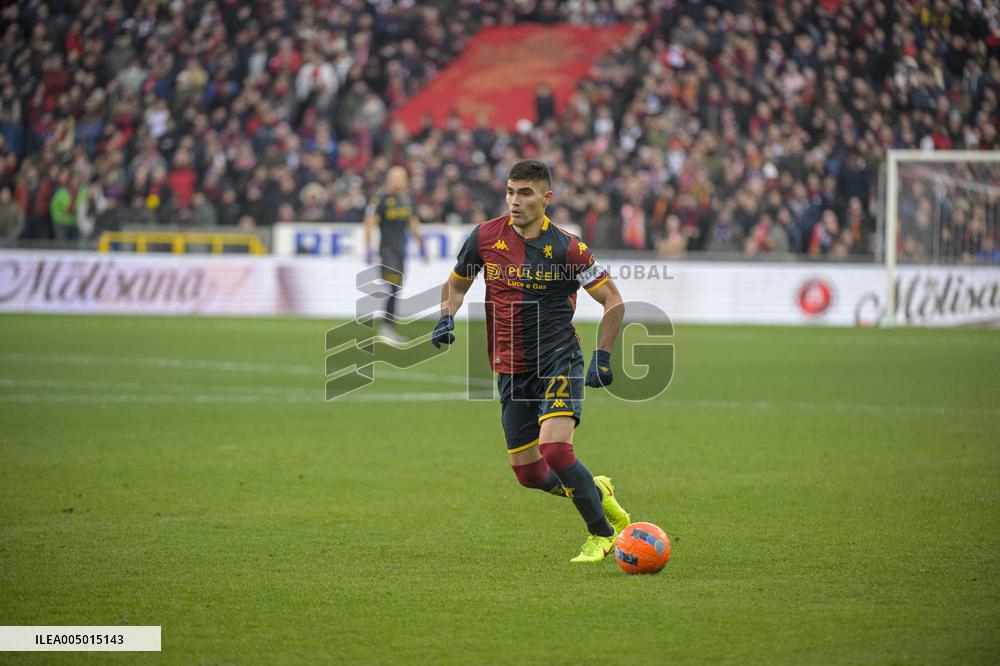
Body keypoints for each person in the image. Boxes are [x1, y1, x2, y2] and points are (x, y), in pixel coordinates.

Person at [431, 160, 630, 563]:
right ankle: (596, 490)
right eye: (510, 192)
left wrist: (603, 357)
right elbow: (455, 286)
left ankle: (602, 534)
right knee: (530, 474)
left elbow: (613, 300)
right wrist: (445, 316)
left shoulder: (568, 248)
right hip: (509, 368)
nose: (514, 201)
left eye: (524, 193)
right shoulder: (484, 237)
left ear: (546, 198)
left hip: (558, 360)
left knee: (555, 451)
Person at [363, 166, 424, 338]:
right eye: (395, 177)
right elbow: (369, 223)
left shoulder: (407, 199)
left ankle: (388, 327)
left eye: (402, 177)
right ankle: (386, 328)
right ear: (389, 179)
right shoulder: (380, 199)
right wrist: (368, 249)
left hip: (401, 250)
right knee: (393, 284)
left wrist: (422, 245)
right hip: (387, 249)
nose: (399, 181)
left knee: (396, 288)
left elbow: (413, 222)